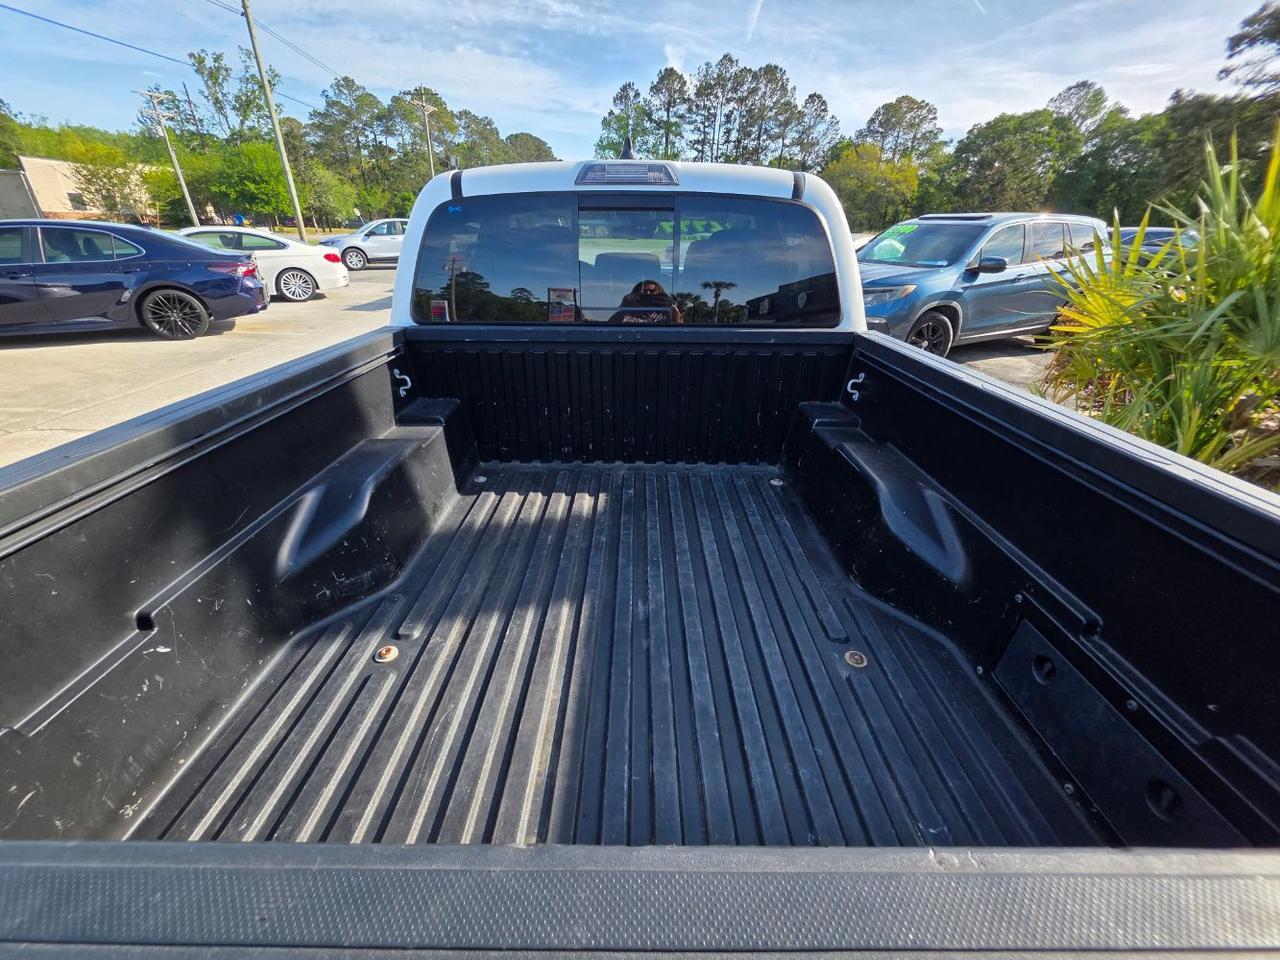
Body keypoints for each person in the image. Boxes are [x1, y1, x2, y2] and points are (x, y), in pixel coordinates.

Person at [609, 279, 683, 324]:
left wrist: (672, 311)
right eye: (644, 291)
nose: (648, 293)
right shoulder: (626, 311)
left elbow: (680, 330)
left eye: (652, 291)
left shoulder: (669, 311)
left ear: (659, 292)